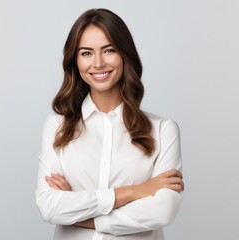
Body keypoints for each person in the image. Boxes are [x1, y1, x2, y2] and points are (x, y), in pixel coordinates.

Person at [36, 8, 184, 240]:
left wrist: (78, 212)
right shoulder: (57, 127)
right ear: (75, 61)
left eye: (109, 50)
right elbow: (49, 206)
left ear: (124, 55)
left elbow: (162, 212)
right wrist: (136, 191)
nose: (98, 63)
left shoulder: (163, 130)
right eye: (86, 53)